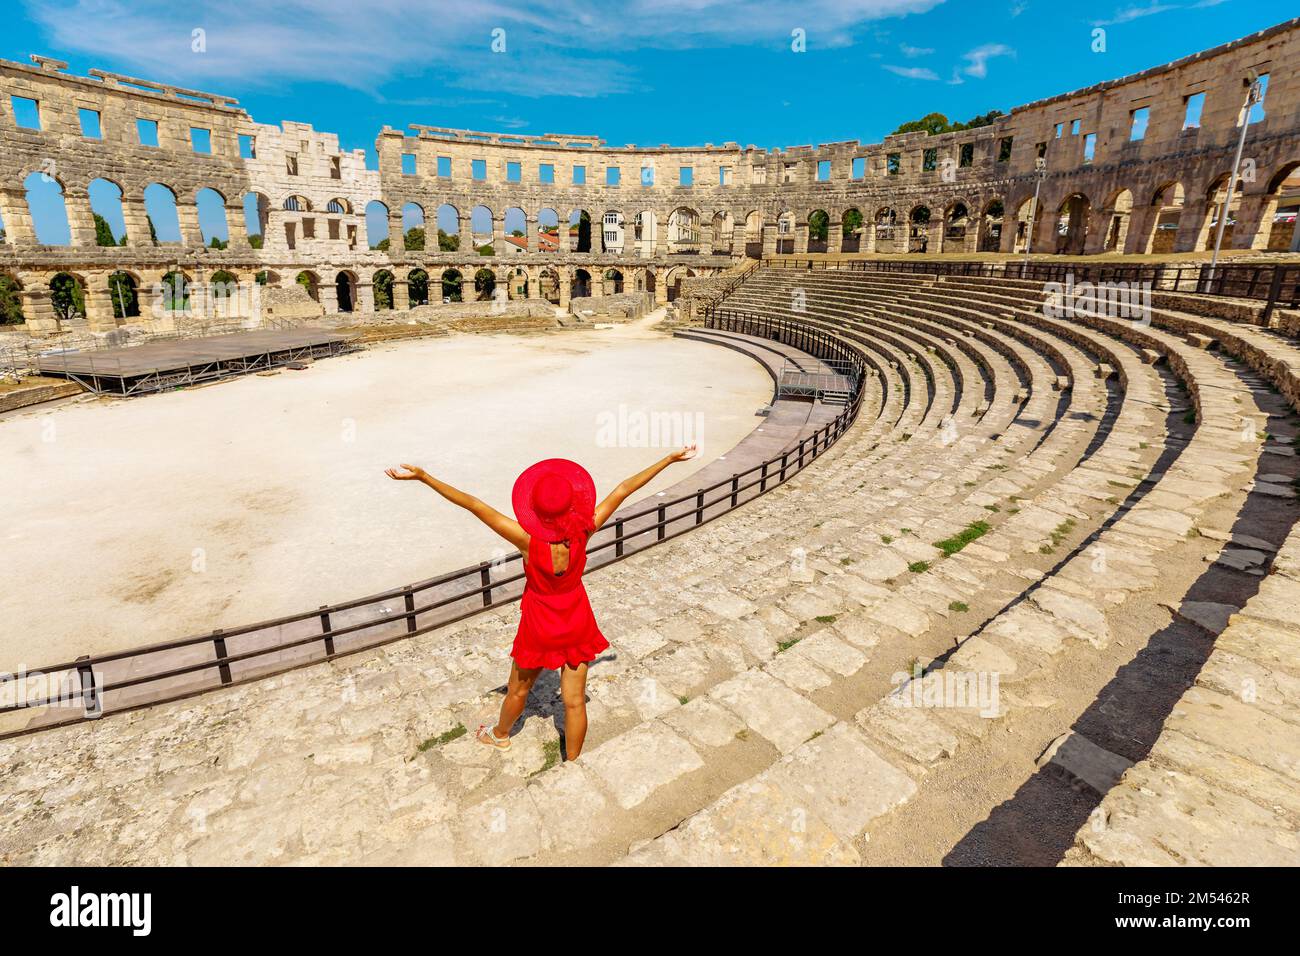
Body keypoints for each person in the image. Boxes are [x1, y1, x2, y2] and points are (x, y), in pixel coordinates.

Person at [385, 444, 697, 760]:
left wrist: (424, 477)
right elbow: (624, 489)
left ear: (535, 508)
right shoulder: (584, 530)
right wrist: (669, 459)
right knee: (574, 700)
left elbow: (474, 505)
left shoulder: (526, 540)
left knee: (519, 689)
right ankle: (573, 762)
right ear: (572, 504)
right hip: (576, 616)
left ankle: (500, 735)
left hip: (539, 621)